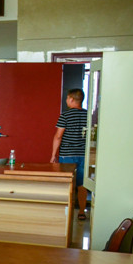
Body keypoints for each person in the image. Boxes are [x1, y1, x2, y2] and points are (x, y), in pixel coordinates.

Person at [51, 88, 88, 220]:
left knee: (67, 184)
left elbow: (58, 136)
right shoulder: (88, 115)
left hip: (67, 154)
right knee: (82, 185)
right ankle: (81, 212)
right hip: (84, 155)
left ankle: (67, 211)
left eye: (67, 98)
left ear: (71, 99)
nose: (66, 100)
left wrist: (53, 155)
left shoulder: (65, 116)